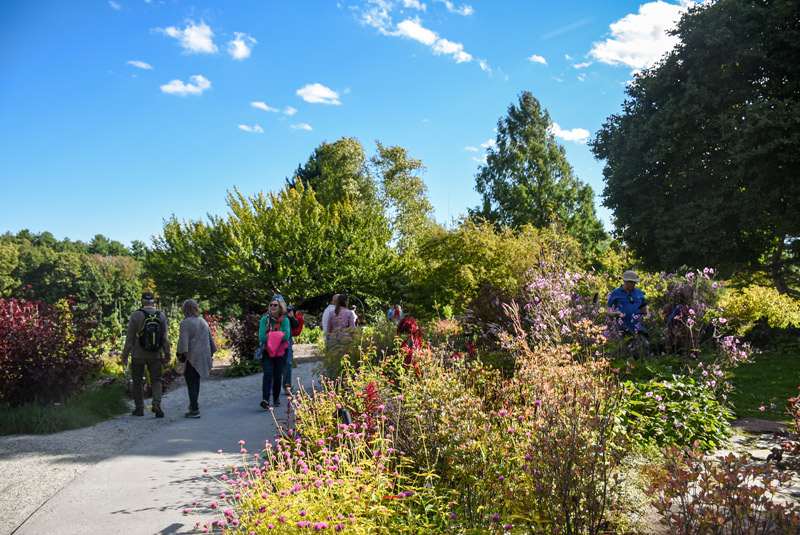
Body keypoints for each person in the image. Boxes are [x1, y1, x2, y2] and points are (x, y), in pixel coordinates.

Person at [121, 291, 171, 418]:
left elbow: (130, 337)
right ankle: (156, 405)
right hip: (155, 355)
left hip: (138, 354)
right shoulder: (161, 315)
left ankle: (139, 409)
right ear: (153, 302)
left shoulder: (135, 315)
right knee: (157, 380)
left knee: (137, 381)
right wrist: (167, 354)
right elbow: (165, 338)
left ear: (142, 301)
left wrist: (125, 355)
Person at [176, 299, 217, 418]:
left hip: (190, 357)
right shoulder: (202, 321)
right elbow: (210, 341)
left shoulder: (185, 323)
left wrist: (180, 354)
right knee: (196, 381)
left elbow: (182, 344)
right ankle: (194, 405)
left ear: (185, 309)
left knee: (190, 382)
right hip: (202, 356)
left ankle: (194, 409)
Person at [607, 270, 649, 355]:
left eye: (635, 282)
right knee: (626, 353)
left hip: (639, 329)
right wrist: (616, 313)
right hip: (623, 329)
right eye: (632, 282)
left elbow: (646, 311)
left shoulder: (639, 293)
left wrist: (645, 311)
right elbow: (608, 311)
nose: (634, 284)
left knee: (643, 351)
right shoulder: (615, 294)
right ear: (625, 281)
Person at [259, 295, 290, 408]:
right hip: (267, 351)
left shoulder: (285, 320)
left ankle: (276, 398)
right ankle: (265, 399)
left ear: (280, 307)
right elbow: (262, 337)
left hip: (281, 352)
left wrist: (270, 336)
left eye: (275, 305)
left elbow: (287, 336)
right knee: (268, 373)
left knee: (277, 376)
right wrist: (278, 336)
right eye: (271, 305)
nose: (272, 306)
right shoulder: (264, 320)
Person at [283, 305, 304, 393]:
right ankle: (273, 387)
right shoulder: (269, 315)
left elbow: (296, 324)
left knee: (288, 363)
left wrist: (291, 317)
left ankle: (287, 386)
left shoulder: (288, 312)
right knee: (275, 364)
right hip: (274, 341)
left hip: (287, 340)